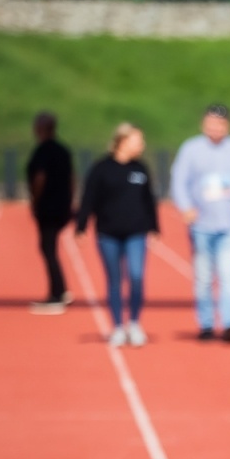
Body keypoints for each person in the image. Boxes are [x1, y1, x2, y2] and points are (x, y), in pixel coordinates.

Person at [171, 104, 230, 343]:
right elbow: (179, 181)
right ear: (203, 124)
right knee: (203, 277)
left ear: (228, 126)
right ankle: (207, 324)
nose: (215, 128)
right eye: (211, 123)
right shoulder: (191, 149)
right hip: (201, 225)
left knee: (228, 275)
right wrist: (185, 207)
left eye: (220, 124)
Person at [76, 124, 158, 347]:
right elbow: (88, 198)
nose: (142, 145)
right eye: (138, 141)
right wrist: (81, 227)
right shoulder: (102, 168)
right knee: (115, 280)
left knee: (136, 276)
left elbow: (148, 199)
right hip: (108, 234)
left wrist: (154, 227)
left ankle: (134, 323)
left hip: (136, 233)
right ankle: (118, 327)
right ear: (123, 142)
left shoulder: (140, 168)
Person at [25, 112, 75, 314]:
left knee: (48, 248)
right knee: (49, 248)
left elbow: (40, 178)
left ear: (40, 128)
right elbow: (72, 179)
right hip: (61, 205)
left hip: (48, 206)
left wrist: (34, 201)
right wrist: (70, 201)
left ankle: (58, 293)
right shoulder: (63, 150)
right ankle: (59, 290)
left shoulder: (43, 151)